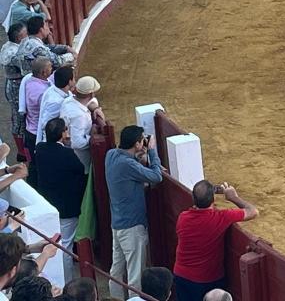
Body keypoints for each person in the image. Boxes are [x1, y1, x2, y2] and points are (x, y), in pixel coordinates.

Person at [173, 180, 257, 301]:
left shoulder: (183, 217)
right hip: (207, 280)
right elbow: (253, 211)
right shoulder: (220, 218)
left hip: (182, 277)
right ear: (213, 200)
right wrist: (234, 198)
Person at [105, 125, 162, 300]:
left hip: (117, 223)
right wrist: (152, 152)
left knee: (116, 269)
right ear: (137, 144)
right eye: (142, 140)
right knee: (135, 275)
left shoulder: (111, 155)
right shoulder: (127, 163)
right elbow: (156, 177)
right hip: (132, 226)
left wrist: (139, 158)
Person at [35, 117, 86, 279]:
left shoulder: (40, 149)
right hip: (66, 207)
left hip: (47, 203)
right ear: (63, 134)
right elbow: (80, 169)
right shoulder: (67, 153)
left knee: (52, 241)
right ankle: (67, 281)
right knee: (65, 246)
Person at [60, 75, 104, 172]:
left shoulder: (68, 101)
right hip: (80, 161)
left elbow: (88, 101)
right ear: (91, 94)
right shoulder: (79, 116)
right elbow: (77, 143)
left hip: (70, 157)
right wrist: (92, 136)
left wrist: (95, 108)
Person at [21, 55, 52, 186]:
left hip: (30, 130)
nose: (52, 69)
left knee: (35, 165)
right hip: (36, 134)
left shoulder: (30, 82)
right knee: (39, 167)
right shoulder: (41, 92)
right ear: (44, 72)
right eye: (50, 67)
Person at [1, 23, 27, 147]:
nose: (27, 37)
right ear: (18, 38)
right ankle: (21, 152)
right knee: (19, 117)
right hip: (16, 86)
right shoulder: (14, 52)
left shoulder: (8, 46)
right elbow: (26, 68)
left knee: (17, 115)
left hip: (12, 84)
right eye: (25, 35)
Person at [36, 66, 74, 144]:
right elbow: (46, 124)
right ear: (70, 81)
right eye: (74, 78)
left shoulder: (55, 90)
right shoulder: (56, 102)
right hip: (54, 143)